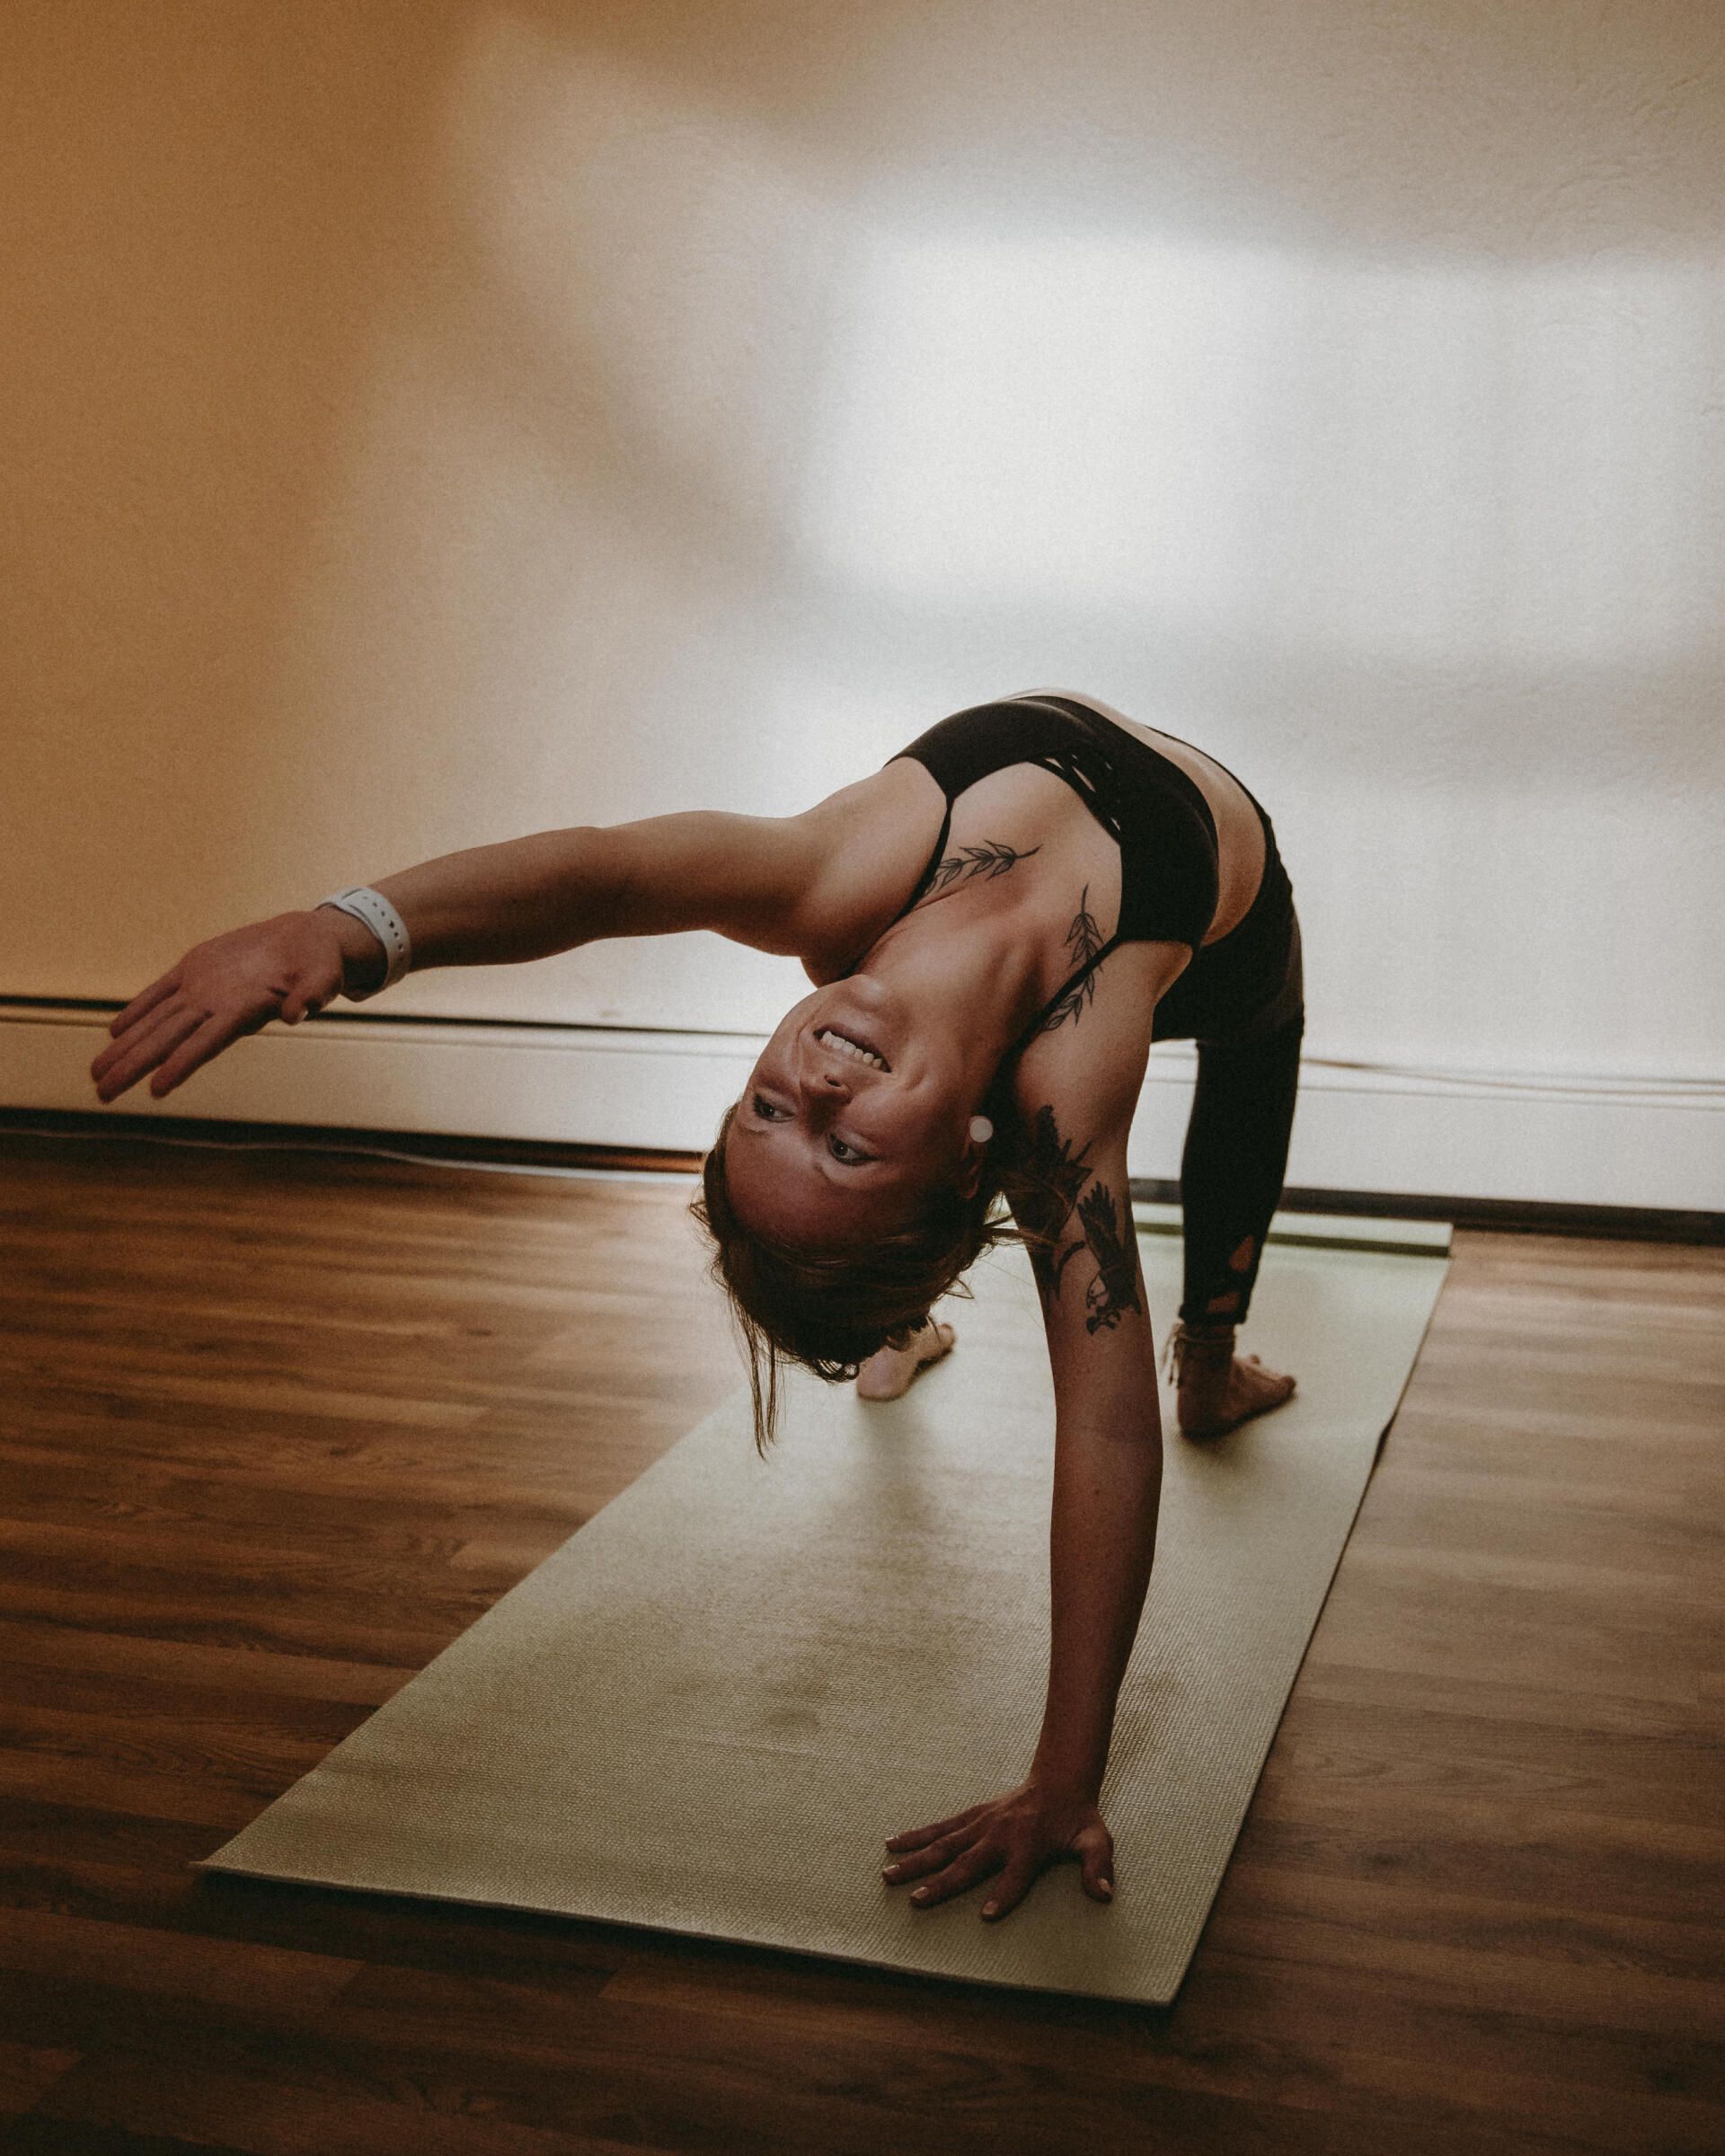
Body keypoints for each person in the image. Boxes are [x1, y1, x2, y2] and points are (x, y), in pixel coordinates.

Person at [89, 686, 1304, 1926]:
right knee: (1266, 1037)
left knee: (841, 1239)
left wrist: (346, 933)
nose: (815, 1081)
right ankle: (1182, 1353)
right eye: (847, 1150)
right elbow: (1103, 1427)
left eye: (768, 1112)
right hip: (1223, 912)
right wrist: (1065, 1781)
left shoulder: (840, 886)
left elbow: (609, 876)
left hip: (1057, 883)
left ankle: (951, 1333)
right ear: (970, 1162)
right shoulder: (1063, 1088)